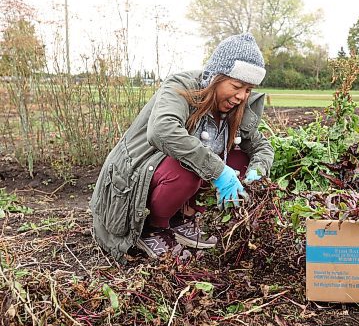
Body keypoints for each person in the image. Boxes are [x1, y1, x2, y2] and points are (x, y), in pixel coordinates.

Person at [90, 33, 274, 261]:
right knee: (188, 167)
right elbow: (162, 130)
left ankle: (183, 218)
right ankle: (151, 229)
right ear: (216, 76)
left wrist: (257, 171)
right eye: (236, 86)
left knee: (240, 159)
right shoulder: (181, 87)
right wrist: (218, 172)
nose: (241, 96)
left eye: (248, 89)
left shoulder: (235, 107)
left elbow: (261, 147)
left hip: (169, 179)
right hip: (135, 180)